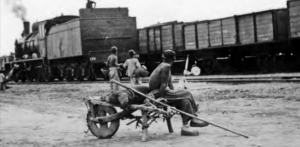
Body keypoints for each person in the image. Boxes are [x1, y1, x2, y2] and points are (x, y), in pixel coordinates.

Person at [148, 49, 209, 136]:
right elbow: (164, 85)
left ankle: (185, 128)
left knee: (184, 100)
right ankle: (194, 119)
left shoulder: (164, 65)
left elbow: (169, 83)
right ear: (174, 58)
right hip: (158, 93)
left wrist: (175, 93)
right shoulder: (166, 67)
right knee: (187, 93)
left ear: (163, 58)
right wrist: (160, 98)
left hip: (161, 92)